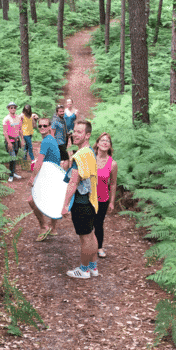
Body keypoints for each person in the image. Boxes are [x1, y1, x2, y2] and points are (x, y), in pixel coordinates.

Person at [62, 119, 100, 279]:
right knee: (91, 234)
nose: (75, 135)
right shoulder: (90, 151)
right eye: (74, 131)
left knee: (85, 238)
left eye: (79, 132)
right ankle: (93, 267)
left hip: (81, 203)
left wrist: (65, 205)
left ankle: (84, 270)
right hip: (92, 201)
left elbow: (73, 182)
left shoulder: (80, 155)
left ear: (87, 135)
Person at [27, 117, 61, 241]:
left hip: (50, 176)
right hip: (54, 175)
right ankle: (53, 228)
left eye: (45, 126)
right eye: (40, 126)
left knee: (31, 200)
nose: (42, 128)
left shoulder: (46, 141)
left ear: (49, 127)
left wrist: (32, 177)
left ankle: (44, 226)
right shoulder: (51, 139)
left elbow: (40, 162)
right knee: (54, 202)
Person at [94, 132, 118, 259]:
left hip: (103, 198)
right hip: (88, 197)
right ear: (97, 143)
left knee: (98, 223)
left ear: (109, 146)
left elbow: (113, 184)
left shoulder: (112, 164)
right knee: (88, 223)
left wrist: (112, 202)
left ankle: (99, 247)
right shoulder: (90, 158)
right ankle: (88, 246)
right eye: (102, 140)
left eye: (107, 141)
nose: (104, 142)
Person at [2, 102, 23, 181]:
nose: (13, 109)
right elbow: (5, 132)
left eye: (14, 107)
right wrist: (9, 143)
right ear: (8, 109)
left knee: (15, 157)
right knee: (12, 158)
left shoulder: (18, 118)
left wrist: (22, 139)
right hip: (10, 141)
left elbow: (20, 129)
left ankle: (13, 172)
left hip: (17, 140)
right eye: (11, 107)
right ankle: (11, 175)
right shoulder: (6, 119)